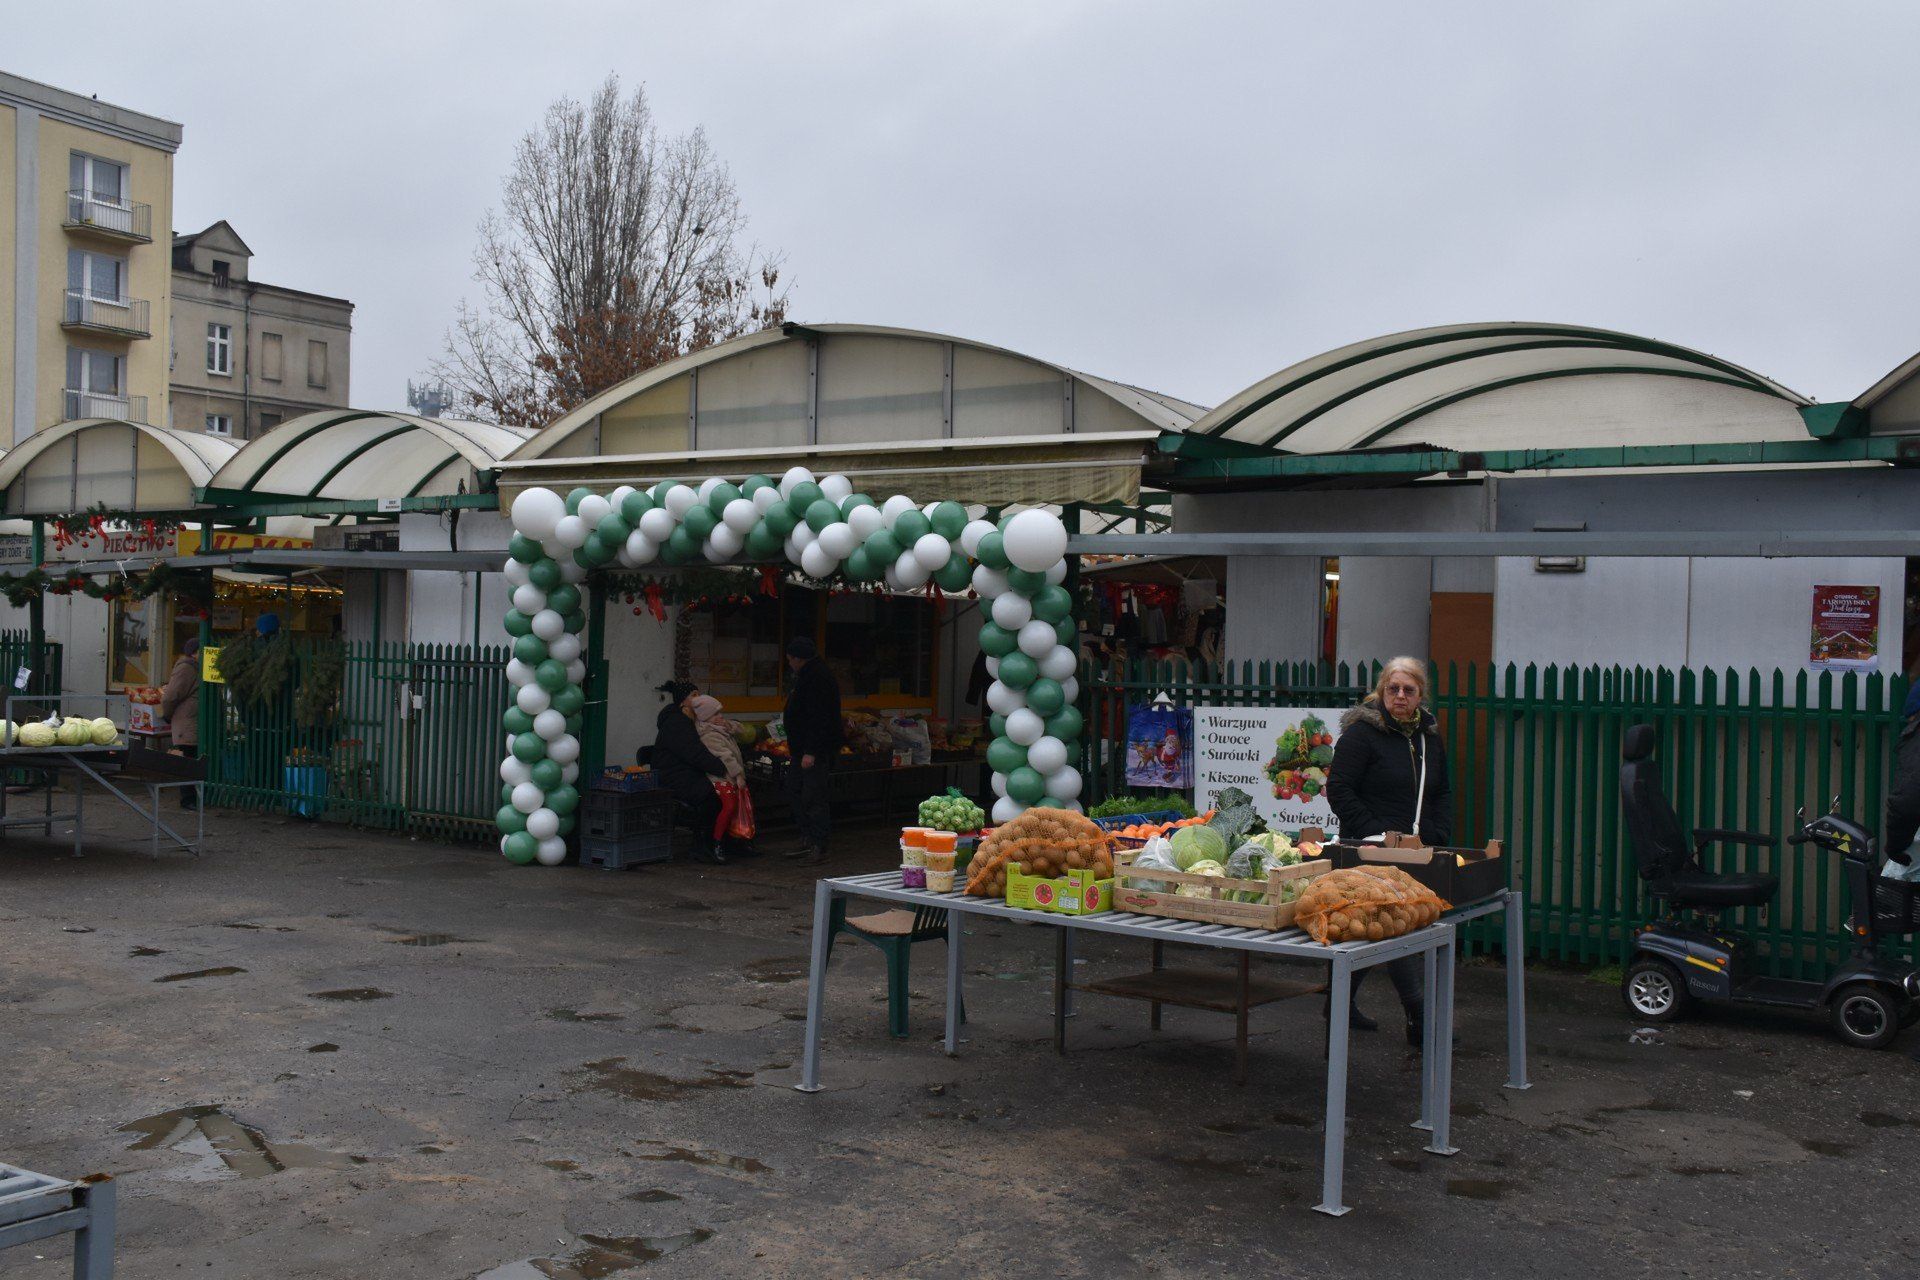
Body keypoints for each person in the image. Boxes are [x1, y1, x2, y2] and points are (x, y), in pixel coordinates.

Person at [1325, 656, 1454, 1047]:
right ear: (1382, 693)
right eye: (1392, 689)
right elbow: (1340, 790)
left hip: (1416, 850)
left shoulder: (1428, 739)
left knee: (1377, 929)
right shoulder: (1362, 735)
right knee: (1396, 922)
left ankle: (1337, 1003)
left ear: (1420, 696)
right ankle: (1419, 1016)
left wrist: (1437, 833)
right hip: (1367, 850)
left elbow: (1441, 791)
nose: (1400, 696)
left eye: (1408, 690)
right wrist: (1375, 834)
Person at [650, 680, 730, 865]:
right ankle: (702, 846)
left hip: (686, 771)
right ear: (683, 702)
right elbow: (694, 753)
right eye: (694, 695)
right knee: (712, 797)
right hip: (674, 776)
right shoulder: (677, 722)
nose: (699, 698)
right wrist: (720, 768)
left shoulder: (693, 720)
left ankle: (722, 842)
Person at [779, 637, 841, 866]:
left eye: (789, 660)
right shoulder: (808, 676)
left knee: (813, 796)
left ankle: (819, 844)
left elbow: (820, 719)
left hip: (813, 750)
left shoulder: (817, 678)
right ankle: (808, 838)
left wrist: (811, 751)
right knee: (794, 789)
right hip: (801, 748)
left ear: (797, 658)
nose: (789, 664)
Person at [689, 694, 758, 857]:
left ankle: (739, 840)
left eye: (720, 713)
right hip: (722, 779)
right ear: (706, 717)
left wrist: (727, 724)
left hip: (731, 777)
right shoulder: (709, 736)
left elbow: (741, 731)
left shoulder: (720, 728)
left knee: (740, 807)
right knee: (730, 806)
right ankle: (717, 842)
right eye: (716, 714)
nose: (720, 716)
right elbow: (726, 757)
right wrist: (739, 775)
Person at [160, 637, 202, 809]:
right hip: (188, 722)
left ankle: (193, 797)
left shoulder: (196, 668)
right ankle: (188, 799)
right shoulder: (186, 668)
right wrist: (167, 715)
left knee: (193, 757)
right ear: (194, 653)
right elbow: (171, 696)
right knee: (188, 757)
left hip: (193, 721)